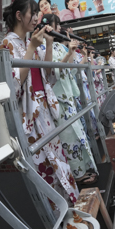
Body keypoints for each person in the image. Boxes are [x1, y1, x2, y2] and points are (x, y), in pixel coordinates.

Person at [0, 0, 79, 205]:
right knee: (43, 164)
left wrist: (48, 45)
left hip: (43, 109)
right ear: (19, 16)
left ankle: (70, 206)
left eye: (37, 14)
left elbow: (48, 78)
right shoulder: (7, 44)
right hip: (29, 114)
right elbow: (13, 88)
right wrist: (31, 48)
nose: (36, 18)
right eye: (32, 13)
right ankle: (56, 214)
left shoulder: (29, 42)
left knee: (58, 160)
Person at [45, 14, 98, 186]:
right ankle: (78, 174)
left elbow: (71, 70)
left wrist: (72, 52)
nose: (59, 28)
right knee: (69, 137)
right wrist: (69, 52)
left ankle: (85, 168)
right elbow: (54, 73)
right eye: (56, 25)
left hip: (67, 94)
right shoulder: (46, 48)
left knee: (78, 134)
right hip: (59, 98)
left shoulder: (59, 47)